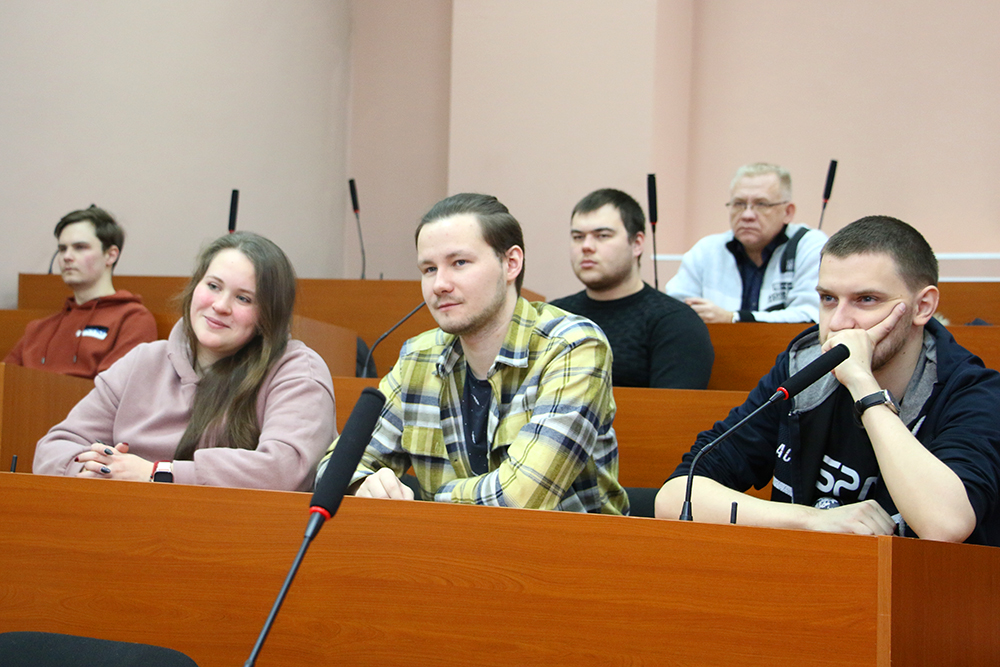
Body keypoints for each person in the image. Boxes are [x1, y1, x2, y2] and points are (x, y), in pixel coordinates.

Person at [655, 216, 1000, 546]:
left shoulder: (972, 391)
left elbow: (944, 524)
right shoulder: (801, 368)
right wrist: (812, 520)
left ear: (922, 306)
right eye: (828, 299)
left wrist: (863, 384)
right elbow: (675, 496)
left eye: (866, 300)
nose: (838, 322)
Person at [317, 193, 628, 514]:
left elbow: (520, 499)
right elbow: (333, 470)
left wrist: (425, 504)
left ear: (511, 263)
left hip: (565, 544)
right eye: (429, 268)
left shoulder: (572, 345)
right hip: (444, 543)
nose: (439, 284)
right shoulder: (418, 357)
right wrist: (361, 485)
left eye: (459, 263)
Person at [33, 232, 337, 491]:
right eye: (213, 286)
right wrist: (94, 470)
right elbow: (55, 447)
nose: (220, 306)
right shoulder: (143, 360)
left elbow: (284, 469)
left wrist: (156, 473)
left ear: (268, 314)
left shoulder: (297, 370)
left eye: (243, 298)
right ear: (195, 287)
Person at [550, 188, 714, 388]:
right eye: (578, 237)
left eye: (602, 235)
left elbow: (673, 406)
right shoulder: (553, 317)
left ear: (637, 244)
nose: (586, 246)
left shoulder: (675, 322)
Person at [5, 205, 157, 379]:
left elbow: (113, 390)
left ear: (110, 255)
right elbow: (4, 380)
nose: (67, 257)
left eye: (80, 247)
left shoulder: (133, 319)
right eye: (62, 249)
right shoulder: (38, 329)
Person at [666, 163, 827, 323]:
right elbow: (673, 311)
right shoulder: (706, 251)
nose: (747, 215)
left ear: (788, 212)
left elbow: (811, 315)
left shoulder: (810, 247)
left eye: (761, 204)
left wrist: (732, 319)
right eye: (739, 204)